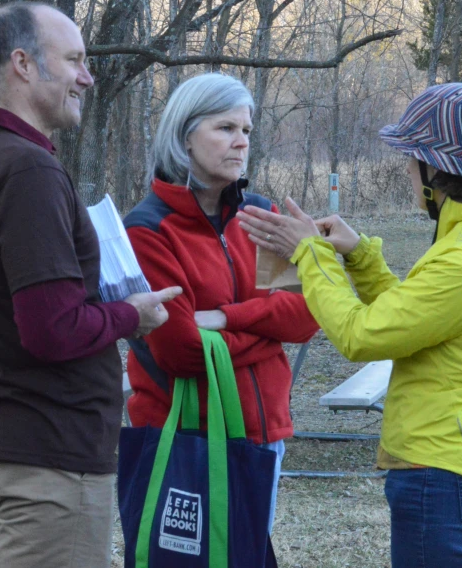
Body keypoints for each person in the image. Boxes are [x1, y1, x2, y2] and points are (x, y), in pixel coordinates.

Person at [237, 83, 462, 567]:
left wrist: (309, 253)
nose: (405, 169)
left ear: (436, 172)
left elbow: (362, 336)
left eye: (412, 158)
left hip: (449, 480)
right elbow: (409, 322)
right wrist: (359, 257)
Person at [0, 2, 181, 568]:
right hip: (45, 458)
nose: (86, 76)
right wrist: (131, 316)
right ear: (22, 64)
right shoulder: (27, 169)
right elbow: (51, 329)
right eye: (73, 59)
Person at [123, 72, 319, 532]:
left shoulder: (263, 217)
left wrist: (223, 319)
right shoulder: (149, 229)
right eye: (225, 128)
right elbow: (184, 351)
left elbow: (307, 318)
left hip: (262, 435)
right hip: (184, 437)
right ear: (185, 136)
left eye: (246, 131)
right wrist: (267, 335)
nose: (240, 142)